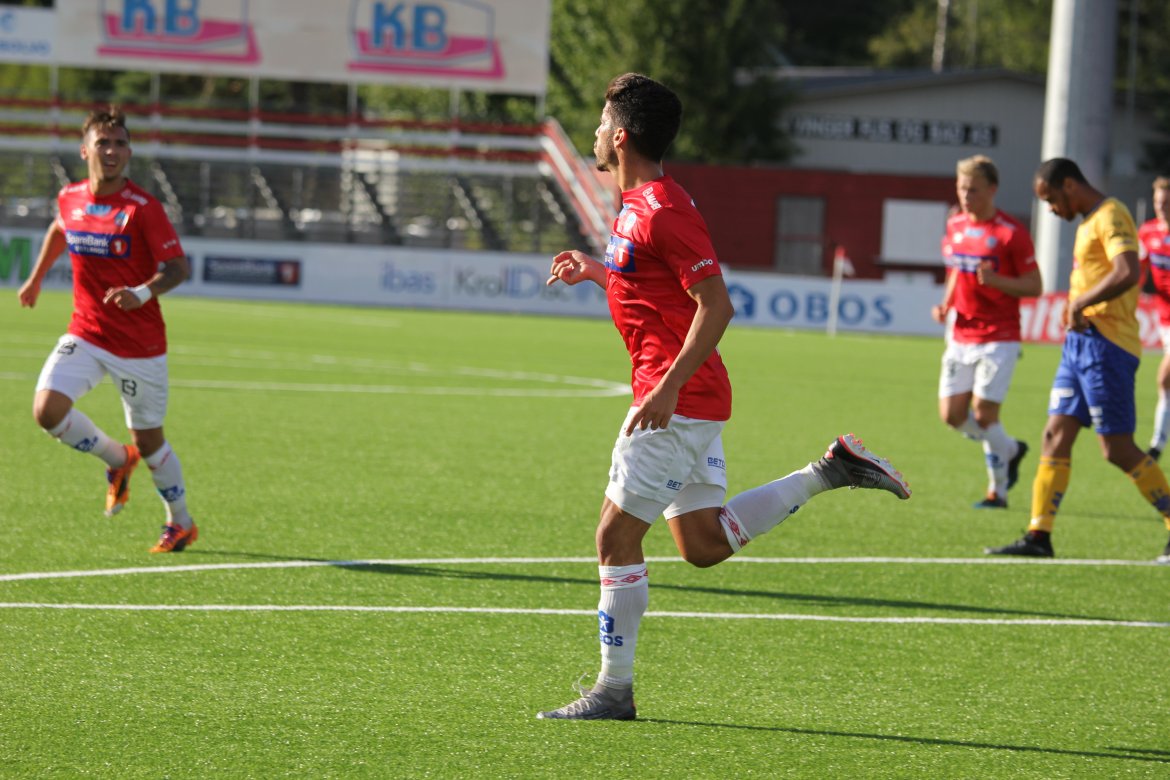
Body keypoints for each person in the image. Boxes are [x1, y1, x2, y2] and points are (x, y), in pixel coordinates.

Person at [535, 73, 911, 722]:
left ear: (620, 138)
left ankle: (614, 691)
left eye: (600, 123)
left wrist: (668, 387)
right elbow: (648, 290)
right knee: (703, 545)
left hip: (675, 400)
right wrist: (594, 271)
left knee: (614, 538)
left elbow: (717, 306)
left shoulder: (663, 210)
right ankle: (830, 470)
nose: (594, 133)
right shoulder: (640, 206)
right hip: (688, 398)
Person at [17, 106, 198, 554]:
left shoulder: (143, 209)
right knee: (47, 411)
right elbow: (60, 229)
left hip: (139, 346)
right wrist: (37, 278)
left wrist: (142, 292)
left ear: (129, 153)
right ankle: (117, 459)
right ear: (86, 151)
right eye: (103, 143)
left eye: (120, 144)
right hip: (86, 332)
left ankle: (181, 522)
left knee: (149, 441)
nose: (112, 151)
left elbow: (178, 268)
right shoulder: (70, 196)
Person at [986, 158, 1170, 563]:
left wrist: (1081, 302)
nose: (1052, 209)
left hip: (1108, 347)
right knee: (1055, 434)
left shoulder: (1112, 213)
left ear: (1069, 185)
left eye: (1051, 199)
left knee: (1117, 449)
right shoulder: (1088, 222)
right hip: (1079, 346)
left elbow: (1128, 271)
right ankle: (1039, 535)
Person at [932, 155, 1042, 509]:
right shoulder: (955, 225)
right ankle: (1009, 449)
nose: (966, 196)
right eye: (962, 188)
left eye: (974, 190)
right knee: (952, 416)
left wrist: (997, 281)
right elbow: (955, 271)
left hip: (999, 335)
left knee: (983, 414)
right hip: (961, 333)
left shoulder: (1010, 233)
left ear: (992, 190)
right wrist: (946, 304)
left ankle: (998, 492)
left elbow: (1035, 285)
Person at [1138, 176, 1170, 460]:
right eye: (1158, 202)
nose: (1161, 207)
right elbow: (1138, 271)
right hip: (1163, 318)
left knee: (1164, 378)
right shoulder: (1147, 232)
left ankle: (1157, 446)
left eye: (1167, 202)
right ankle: (1158, 443)